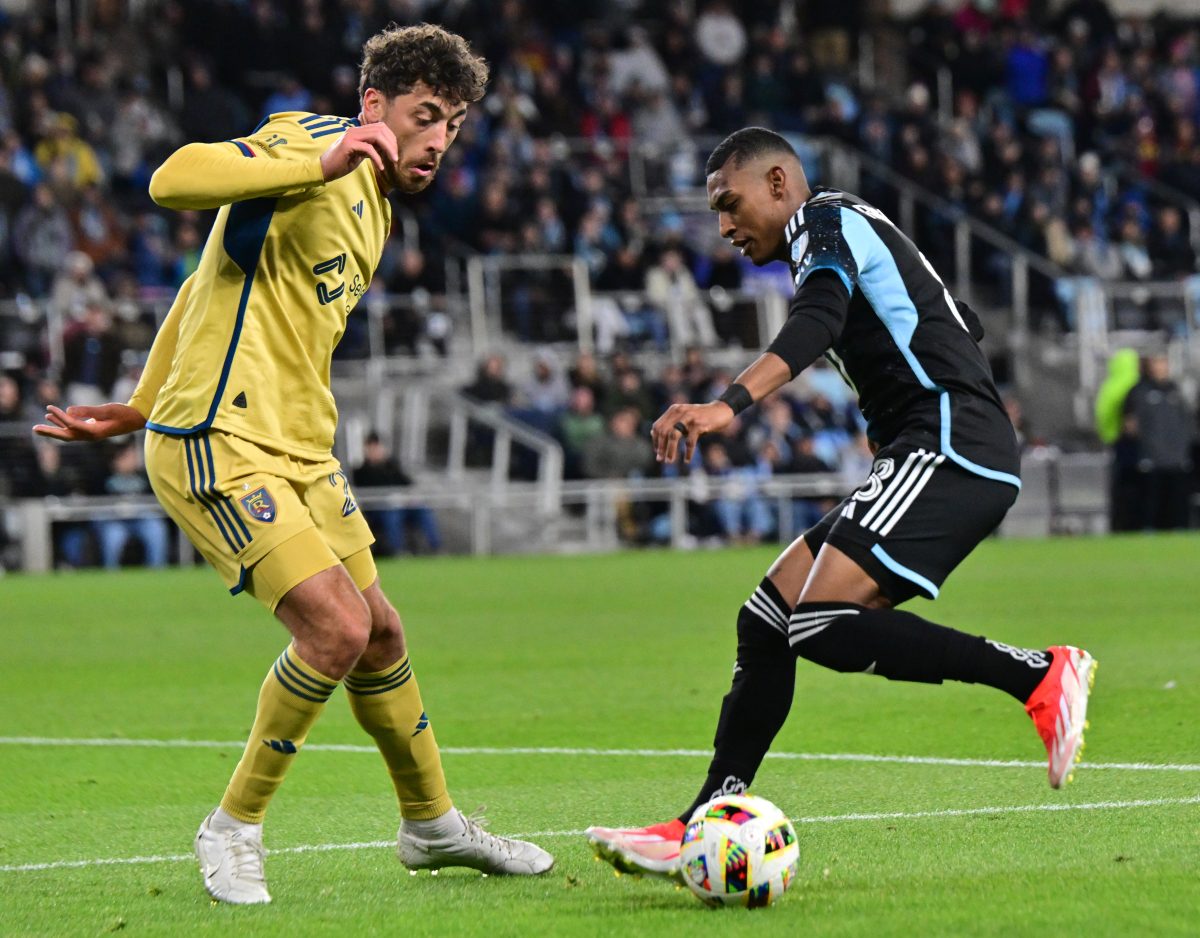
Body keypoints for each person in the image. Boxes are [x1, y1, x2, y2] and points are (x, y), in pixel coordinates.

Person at [34, 23, 552, 907]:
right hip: (220, 441)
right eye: (425, 116)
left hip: (300, 445)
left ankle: (432, 827)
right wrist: (317, 161)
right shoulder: (308, 142)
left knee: (381, 632)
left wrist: (135, 400)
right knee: (337, 632)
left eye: (453, 126)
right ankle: (231, 827)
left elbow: (208, 285)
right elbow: (172, 180)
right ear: (374, 105)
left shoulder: (376, 205)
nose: (437, 141)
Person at [586, 128, 1097, 879]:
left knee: (820, 622)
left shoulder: (821, 221)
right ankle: (701, 819)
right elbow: (957, 317)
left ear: (780, 183)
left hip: (949, 445)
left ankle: (1039, 673)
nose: (725, 227)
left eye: (731, 204)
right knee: (766, 620)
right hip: (932, 444)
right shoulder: (861, 226)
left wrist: (728, 406)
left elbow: (819, 317)